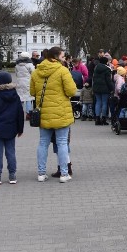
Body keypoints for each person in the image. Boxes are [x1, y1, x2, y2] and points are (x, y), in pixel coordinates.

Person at [30, 46, 77, 183]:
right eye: (62, 57)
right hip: (61, 112)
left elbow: (32, 92)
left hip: (44, 112)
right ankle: (64, 174)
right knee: (62, 143)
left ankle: (41, 173)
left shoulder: (36, 72)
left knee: (43, 143)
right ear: (55, 57)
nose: (64, 59)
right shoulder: (63, 71)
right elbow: (71, 91)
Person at [91, 56, 113, 126]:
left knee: (98, 102)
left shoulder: (96, 68)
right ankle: (103, 118)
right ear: (106, 62)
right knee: (104, 103)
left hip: (96, 88)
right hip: (105, 88)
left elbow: (93, 78)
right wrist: (111, 88)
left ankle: (97, 119)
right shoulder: (107, 69)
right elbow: (108, 81)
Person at [14, 52, 35, 116]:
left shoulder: (17, 65)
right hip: (28, 82)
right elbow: (33, 73)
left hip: (19, 82)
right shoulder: (29, 65)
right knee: (28, 97)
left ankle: (20, 112)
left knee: (20, 97)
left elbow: (16, 74)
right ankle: (28, 113)